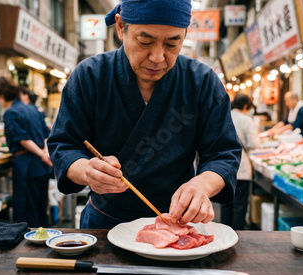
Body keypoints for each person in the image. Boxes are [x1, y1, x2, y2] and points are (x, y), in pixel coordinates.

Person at [47, 0, 242, 229]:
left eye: (172, 44)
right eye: (145, 41)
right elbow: (64, 145)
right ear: (121, 27)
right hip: (104, 225)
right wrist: (87, 170)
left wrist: (202, 185)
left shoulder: (202, 82)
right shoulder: (89, 76)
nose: (158, 57)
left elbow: (223, 154)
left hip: (177, 224)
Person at [0, 77, 52, 227]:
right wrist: (45, 153)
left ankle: (29, 248)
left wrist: (41, 154)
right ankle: (43, 243)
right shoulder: (33, 108)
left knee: (26, 212)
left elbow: (23, 140)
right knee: (40, 208)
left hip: (27, 166)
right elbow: (47, 134)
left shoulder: (10, 112)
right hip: (42, 166)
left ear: (1, 94)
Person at [221, 94, 260, 230]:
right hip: (241, 167)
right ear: (245, 106)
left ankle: (224, 234)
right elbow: (253, 144)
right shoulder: (246, 120)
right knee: (239, 205)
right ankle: (237, 236)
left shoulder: (224, 115)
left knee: (226, 204)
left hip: (223, 168)